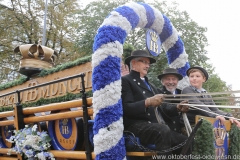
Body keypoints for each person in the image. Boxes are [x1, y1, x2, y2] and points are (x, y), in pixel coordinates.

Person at [121, 50, 189, 157]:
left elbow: (163, 106)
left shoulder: (151, 86)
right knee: (162, 129)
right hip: (136, 126)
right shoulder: (125, 81)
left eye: (148, 63)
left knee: (186, 141)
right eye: (144, 62)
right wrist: (147, 102)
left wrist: (177, 107)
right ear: (133, 63)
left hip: (155, 127)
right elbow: (126, 108)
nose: (147, 65)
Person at [157, 68, 187, 133]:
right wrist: (177, 107)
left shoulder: (182, 93)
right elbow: (164, 107)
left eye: (174, 79)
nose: (171, 82)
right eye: (168, 79)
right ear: (162, 82)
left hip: (184, 129)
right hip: (167, 131)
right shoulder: (158, 93)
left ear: (177, 81)